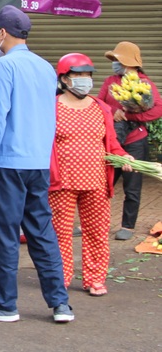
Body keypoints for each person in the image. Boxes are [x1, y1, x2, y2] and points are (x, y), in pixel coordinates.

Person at [0, 5, 74, 323]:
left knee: (4, 234)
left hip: (8, 164)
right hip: (37, 164)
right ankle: (60, 304)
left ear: (2, 32)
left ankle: (5, 305)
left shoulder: (4, 67)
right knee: (42, 233)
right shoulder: (45, 68)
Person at [50, 53, 134, 297]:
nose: (84, 79)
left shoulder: (101, 107)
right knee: (60, 234)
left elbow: (112, 143)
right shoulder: (51, 107)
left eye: (87, 75)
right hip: (61, 183)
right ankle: (61, 278)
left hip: (96, 182)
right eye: (78, 75)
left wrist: (123, 156)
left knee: (97, 232)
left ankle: (95, 279)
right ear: (64, 79)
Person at [97, 41, 162, 240]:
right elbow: (99, 103)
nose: (115, 64)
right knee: (102, 185)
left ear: (129, 62)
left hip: (135, 140)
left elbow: (157, 109)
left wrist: (129, 116)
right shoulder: (110, 81)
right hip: (112, 140)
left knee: (132, 186)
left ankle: (128, 226)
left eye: (117, 60)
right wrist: (113, 112)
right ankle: (94, 222)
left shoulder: (144, 84)